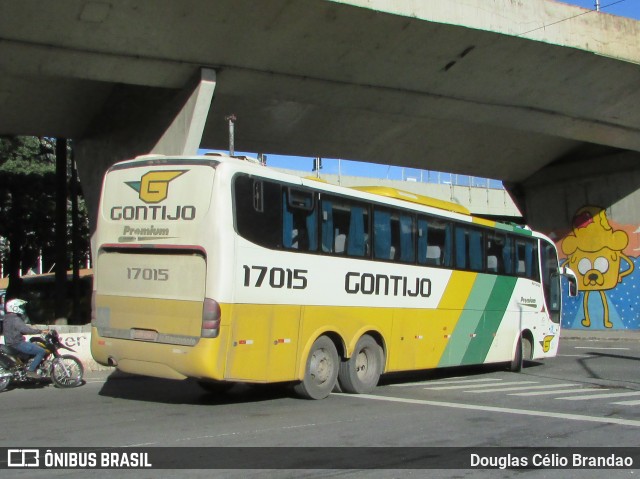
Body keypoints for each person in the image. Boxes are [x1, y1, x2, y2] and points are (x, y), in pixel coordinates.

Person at [3, 298, 48, 379]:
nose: (22, 308)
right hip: (18, 343)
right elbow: (25, 329)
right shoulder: (15, 319)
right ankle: (31, 370)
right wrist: (40, 331)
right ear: (14, 307)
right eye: (20, 306)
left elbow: (15, 330)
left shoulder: (7, 318)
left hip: (10, 343)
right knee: (41, 351)